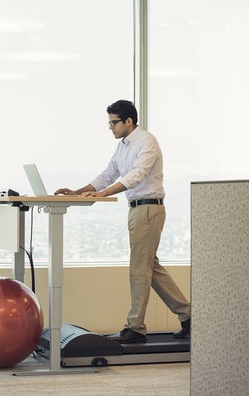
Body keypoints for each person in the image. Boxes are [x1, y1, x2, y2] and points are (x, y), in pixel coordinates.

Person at [54, 99, 190, 343]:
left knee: (140, 269)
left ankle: (135, 328)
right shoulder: (123, 146)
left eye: (114, 122)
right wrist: (77, 191)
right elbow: (108, 174)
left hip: (148, 209)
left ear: (129, 121)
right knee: (150, 267)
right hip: (137, 210)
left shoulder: (147, 141)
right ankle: (189, 316)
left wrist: (103, 194)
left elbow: (137, 175)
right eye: (109, 122)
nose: (111, 127)